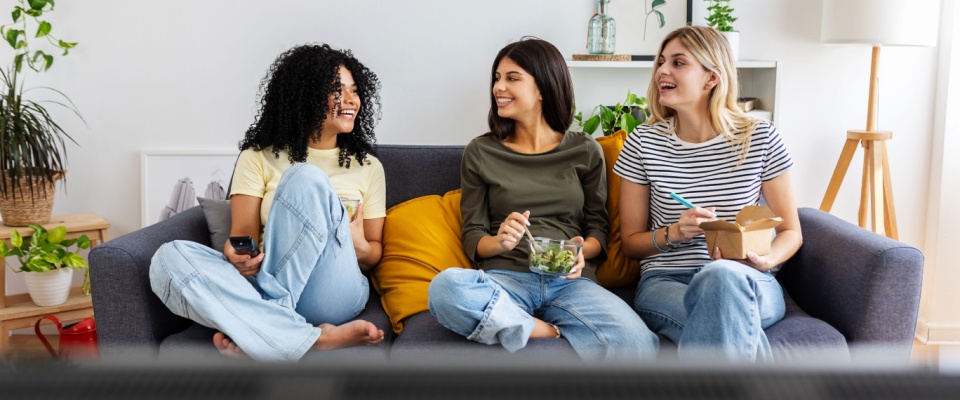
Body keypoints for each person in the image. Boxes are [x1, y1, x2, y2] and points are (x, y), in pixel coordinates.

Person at [149, 44, 387, 361]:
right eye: (337, 90)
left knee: (304, 177)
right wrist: (235, 254)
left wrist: (359, 246)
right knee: (168, 258)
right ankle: (303, 339)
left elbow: (373, 255)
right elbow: (241, 236)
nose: (351, 99)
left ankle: (264, 326)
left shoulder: (369, 167)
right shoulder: (257, 157)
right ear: (305, 96)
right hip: (260, 278)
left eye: (354, 91)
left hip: (331, 288)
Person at [427, 37, 658, 361]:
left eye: (512, 78)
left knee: (638, 343)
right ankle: (544, 330)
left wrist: (580, 253)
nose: (498, 87)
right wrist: (500, 242)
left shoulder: (585, 150)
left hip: (570, 282)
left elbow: (598, 230)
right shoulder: (480, 151)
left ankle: (512, 326)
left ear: (543, 88)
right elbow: (473, 235)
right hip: (505, 280)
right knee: (445, 288)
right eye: (497, 78)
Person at [614, 26, 801, 362]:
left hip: (746, 278)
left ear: (711, 78)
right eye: (661, 61)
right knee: (725, 320)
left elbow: (791, 231)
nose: (662, 71)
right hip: (667, 281)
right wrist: (675, 232)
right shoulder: (643, 142)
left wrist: (765, 260)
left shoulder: (760, 138)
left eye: (678, 62)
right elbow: (630, 244)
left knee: (722, 276)